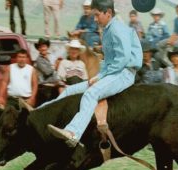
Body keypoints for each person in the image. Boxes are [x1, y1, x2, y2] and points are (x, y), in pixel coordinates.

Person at [40, 0, 142, 147]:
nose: (94, 19)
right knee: (70, 89)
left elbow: (122, 59)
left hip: (123, 73)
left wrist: (100, 76)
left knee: (90, 94)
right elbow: (109, 61)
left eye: (97, 15)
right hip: (112, 72)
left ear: (108, 13)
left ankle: (74, 133)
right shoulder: (107, 30)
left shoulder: (117, 29)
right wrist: (99, 75)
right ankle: (41, 111)